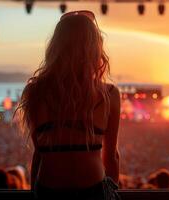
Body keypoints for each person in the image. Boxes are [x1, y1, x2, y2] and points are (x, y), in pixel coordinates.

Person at [15, 10, 121, 199]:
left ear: (56, 46)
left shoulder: (35, 92)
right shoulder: (109, 94)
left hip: (48, 190)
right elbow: (111, 156)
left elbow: (39, 154)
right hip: (93, 190)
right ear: (94, 47)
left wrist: (34, 193)